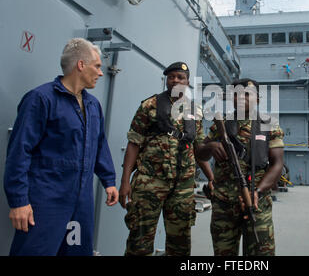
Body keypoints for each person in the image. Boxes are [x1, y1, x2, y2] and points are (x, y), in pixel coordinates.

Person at [4, 38, 118, 256]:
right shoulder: (41, 99)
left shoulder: (93, 105)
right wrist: (19, 201)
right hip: (46, 202)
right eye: (97, 66)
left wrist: (108, 180)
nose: (101, 73)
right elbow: (19, 152)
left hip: (81, 204)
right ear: (81, 65)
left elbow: (99, 143)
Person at [119, 62, 211, 256]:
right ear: (167, 80)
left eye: (180, 77)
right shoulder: (149, 106)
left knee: (180, 243)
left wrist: (212, 177)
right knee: (139, 240)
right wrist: (125, 181)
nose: (176, 80)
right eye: (172, 77)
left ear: (187, 82)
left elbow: (199, 148)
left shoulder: (196, 111)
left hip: (183, 185)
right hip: (150, 182)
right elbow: (134, 143)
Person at [196, 78, 285, 256]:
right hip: (224, 204)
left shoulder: (269, 124)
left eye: (248, 94)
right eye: (237, 94)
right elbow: (199, 155)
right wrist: (211, 147)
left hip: (257, 203)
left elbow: (277, 165)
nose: (242, 98)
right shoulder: (219, 125)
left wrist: (257, 192)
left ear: (257, 99)